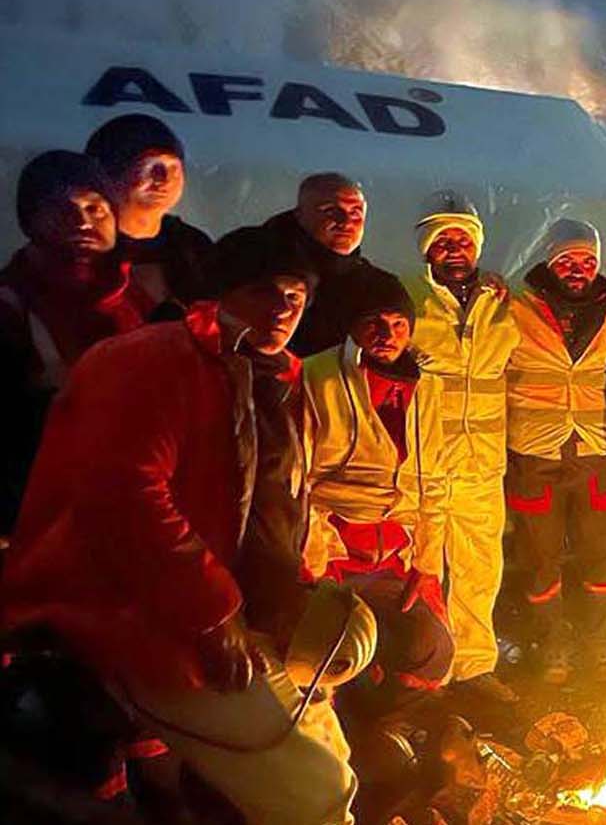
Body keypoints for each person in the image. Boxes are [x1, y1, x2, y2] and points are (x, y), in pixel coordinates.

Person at [1, 227, 367, 825]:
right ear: (222, 292)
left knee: (331, 738)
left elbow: (279, 503)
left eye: (295, 296)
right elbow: (124, 497)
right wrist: (213, 615)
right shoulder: (152, 361)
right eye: (262, 291)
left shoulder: (278, 378)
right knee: (309, 786)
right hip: (126, 610)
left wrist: (297, 587)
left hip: (220, 610)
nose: (282, 308)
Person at [302, 266, 453, 714]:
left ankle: (392, 728)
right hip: (332, 550)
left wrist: (427, 566)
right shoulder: (318, 379)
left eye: (399, 324)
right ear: (352, 326)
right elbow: (298, 480)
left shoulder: (425, 388)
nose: (388, 334)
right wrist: (315, 567)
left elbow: (433, 482)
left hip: (394, 555)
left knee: (432, 648)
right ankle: (341, 735)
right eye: (375, 324)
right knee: (338, 653)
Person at [404, 196, 522, 703]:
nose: (455, 249)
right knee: (422, 569)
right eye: (443, 241)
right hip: (425, 463)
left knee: (479, 568)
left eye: (464, 240)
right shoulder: (407, 299)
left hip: (482, 463)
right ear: (427, 251)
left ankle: (474, 668)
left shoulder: (502, 301)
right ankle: (422, 670)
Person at [1, 151, 152, 534]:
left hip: (140, 503)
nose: (82, 221)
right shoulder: (12, 304)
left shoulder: (143, 295)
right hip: (41, 514)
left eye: (94, 208)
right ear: (31, 221)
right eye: (62, 209)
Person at [505, 219, 606, 685]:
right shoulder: (515, 307)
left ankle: (603, 644)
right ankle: (552, 643)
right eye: (568, 261)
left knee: (604, 555)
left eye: (587, 261)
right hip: (534, 453)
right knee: (541, 557)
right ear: (550, 262)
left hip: (597, 449)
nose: (578, 269)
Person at [231, 172, 377, 356]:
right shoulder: (249, 257)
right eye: (330, 210)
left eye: (355, 212)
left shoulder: (374, 286)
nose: (346, 222)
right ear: (299, 214)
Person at [84, 113, 213, 318]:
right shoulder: (82, 249)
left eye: (173, 167)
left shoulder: (192, 247)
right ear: (109, 174)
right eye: (150, 166)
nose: (164, 179)